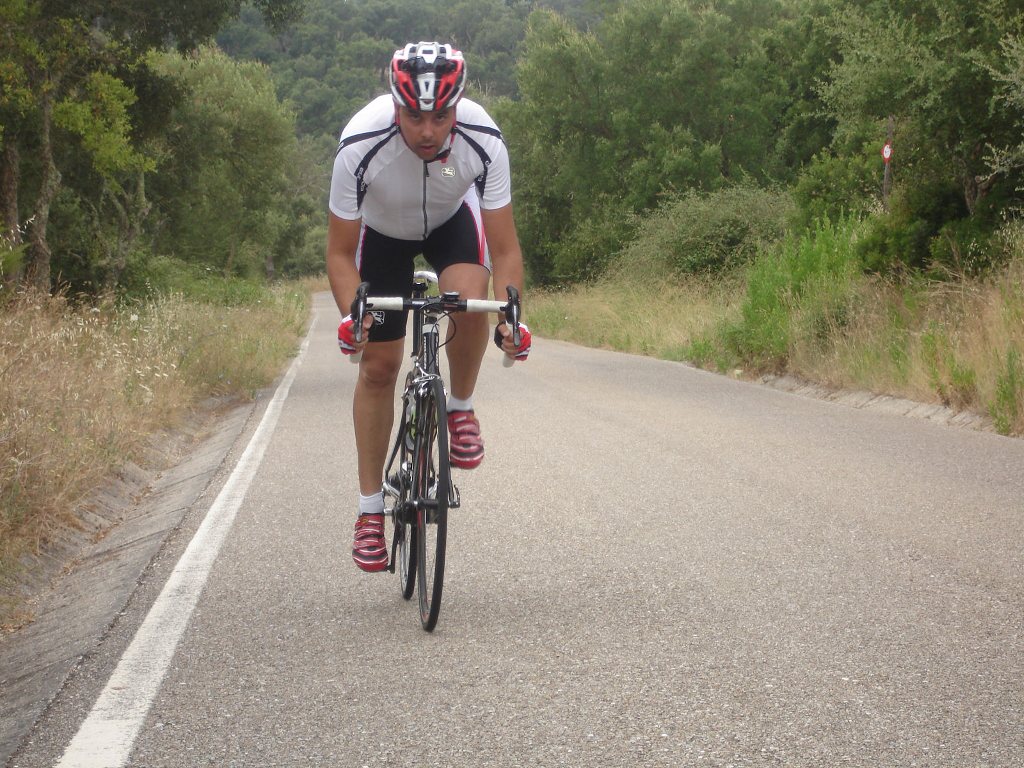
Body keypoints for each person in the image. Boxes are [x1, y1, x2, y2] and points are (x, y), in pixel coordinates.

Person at [326, 41, 532, 572]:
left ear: (457, 107)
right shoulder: (359, 142)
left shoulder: (483, 139)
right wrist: (353, 316)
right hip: (381, 236)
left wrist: (511, 317)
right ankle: (370, 512)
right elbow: (340, 253)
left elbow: (505, 249)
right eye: (414, 117)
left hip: (449, 225)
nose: (427, 131)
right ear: (395, 106)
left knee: (470, 298)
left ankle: (460, 406)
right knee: (378, 367)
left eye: (441, 117)